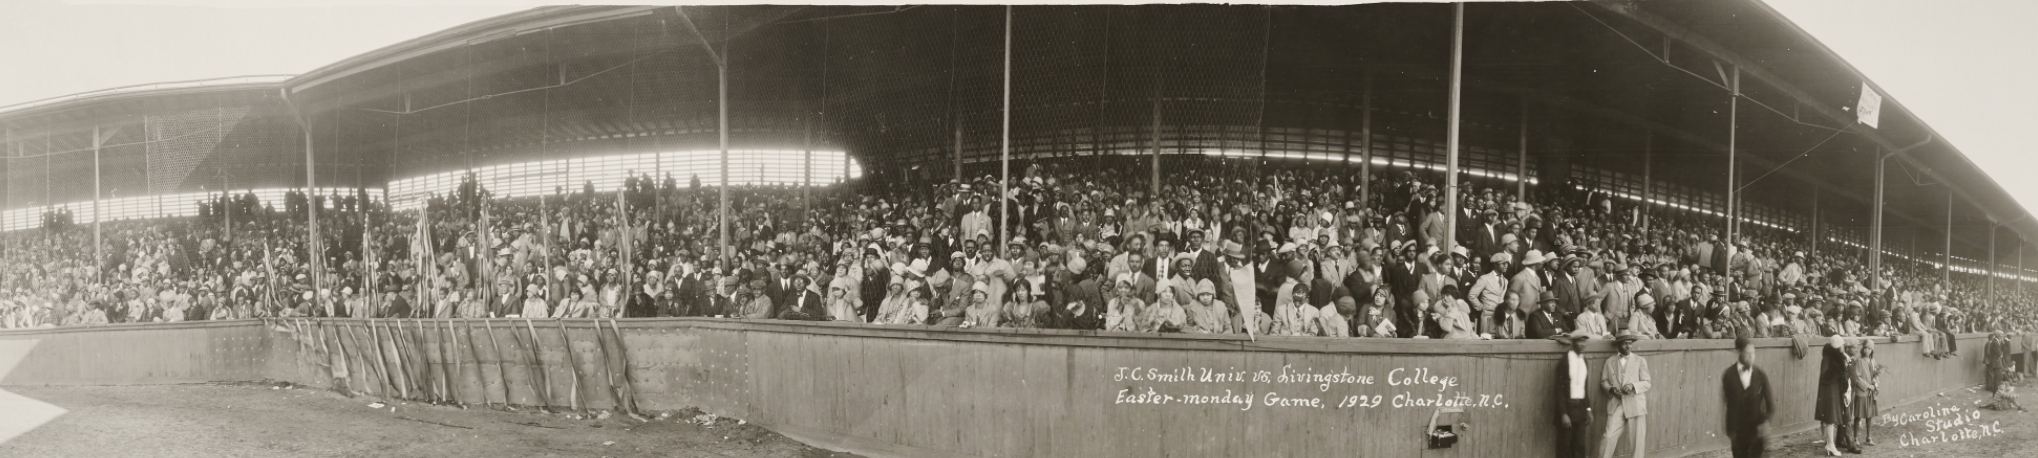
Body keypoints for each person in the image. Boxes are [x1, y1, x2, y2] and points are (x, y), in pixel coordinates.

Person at [1601, 330, 1651, 458]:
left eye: (1630, 343)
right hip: (1617, 404)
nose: (1629, 346)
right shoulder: (1609, 361)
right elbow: (1604, 381)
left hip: (1635, 404)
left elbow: (1647, 382)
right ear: (1618, 345)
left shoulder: (1639, 361)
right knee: (1609, 436)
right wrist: (1611, 389)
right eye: (1625, 344)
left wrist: (1633, 386)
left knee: (1637, 441)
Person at [1722, 334, 1773, 458]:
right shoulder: (1728, 375)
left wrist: (1765, 422)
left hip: (1756, 429)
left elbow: (1770, 403)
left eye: (1753, 353)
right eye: (1747, 353)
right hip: (1738, 431)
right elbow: (1727, 403)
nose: (1751, 357)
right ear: (1739, 352)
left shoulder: (1760, 375)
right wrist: (1730, 429)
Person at [1814, 335, 1857, 455]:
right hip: (1829, 391)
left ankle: (1830, 444)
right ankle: (1830, 445)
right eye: (1842, 345)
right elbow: (1825, 376)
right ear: (1838, 347)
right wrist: (1838, 372)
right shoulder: (1829, 359)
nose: (1843, 346)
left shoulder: (1837, 358)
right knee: (1830, 418)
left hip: (1833, 390)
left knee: (1831, 419)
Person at [1555, 330, 1594, 458]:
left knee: (1580, 446)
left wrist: (1588, 409)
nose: (1583, 344)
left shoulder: (1584, 361)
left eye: (1584, 341)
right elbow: (1558, 390)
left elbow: (1584, 387)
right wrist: (1563, 414)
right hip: (1568, 409)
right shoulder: (1565, 361)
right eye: (1579, 341)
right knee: (1565, 447)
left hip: (1581, 410)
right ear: (1573, 343)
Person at [1851, 339, 1881, 447]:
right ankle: (1855, 438)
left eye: (1870, 349)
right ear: (1862, 349)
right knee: (1858, 415)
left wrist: (1875, 383)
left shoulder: (1872, 361)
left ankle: (1868, 437)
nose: (1867, 351)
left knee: (1869, 415)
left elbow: (1876, 375)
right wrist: (1868, 386)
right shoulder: (1859, 361)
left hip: (1870, 392)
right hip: (1862, 391)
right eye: (1866, 348)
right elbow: (1857, 377)